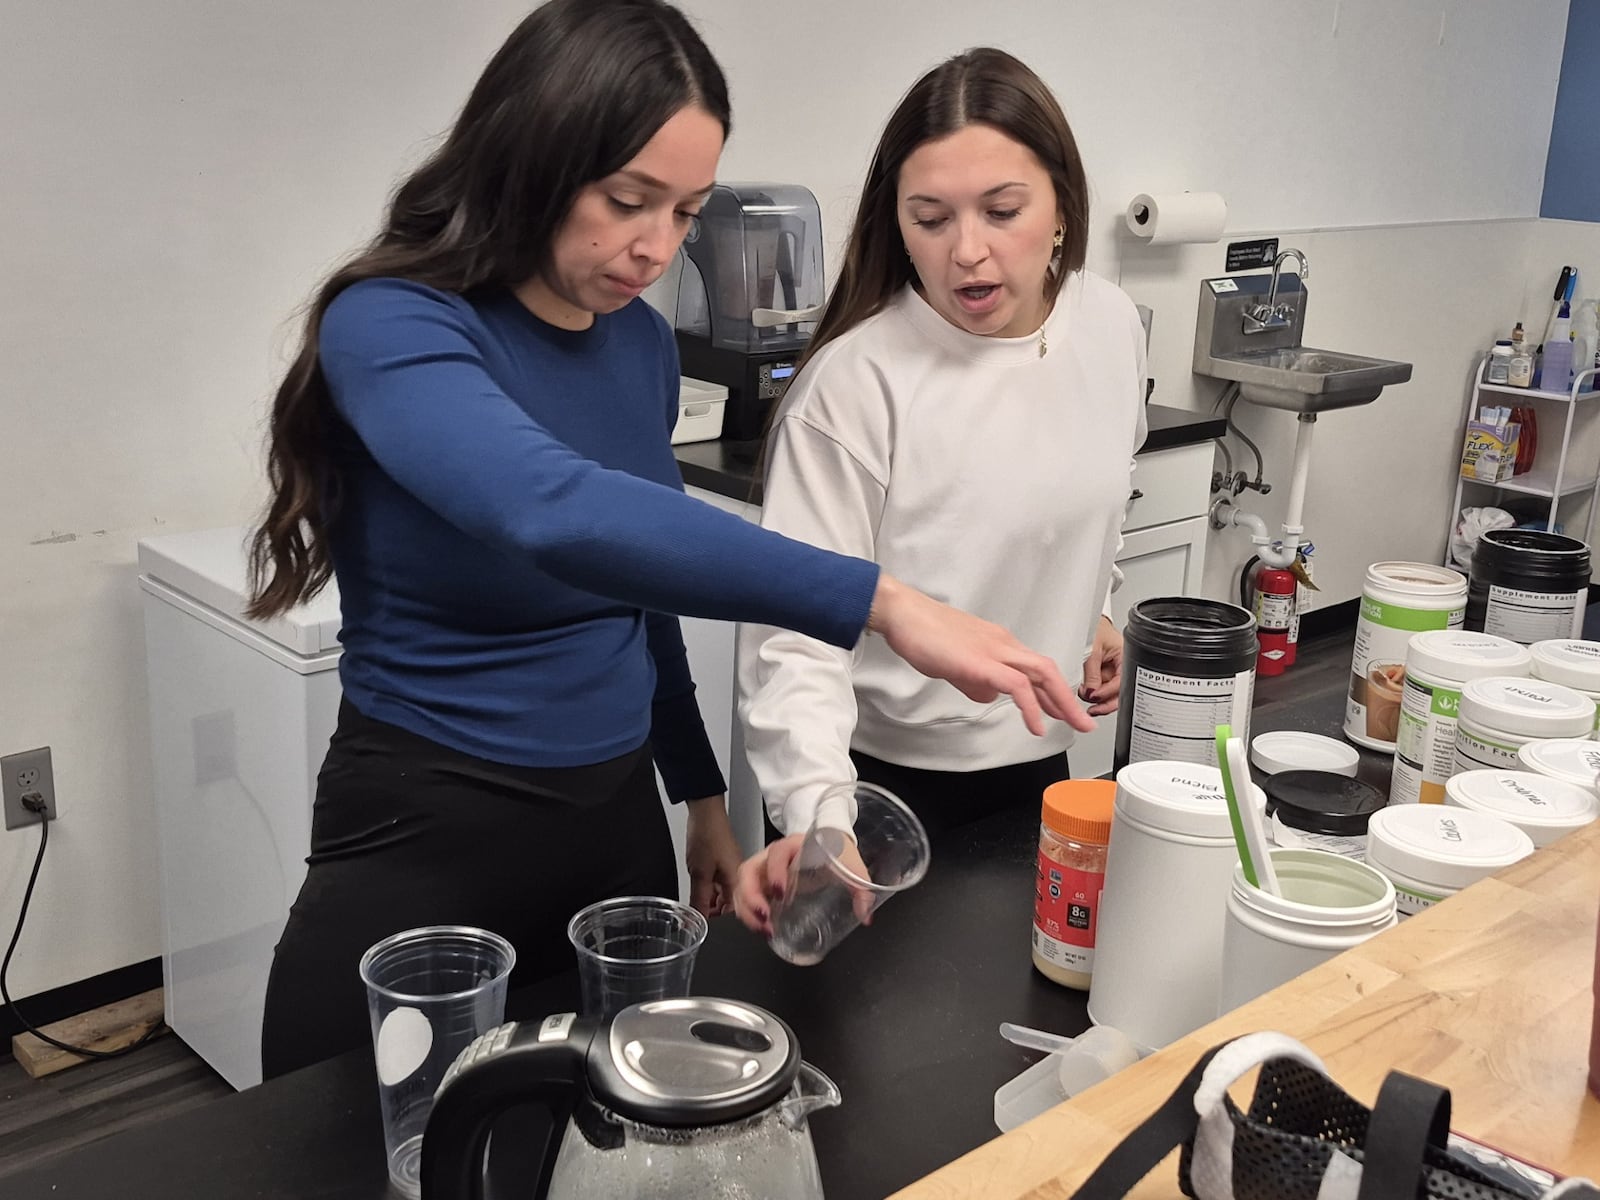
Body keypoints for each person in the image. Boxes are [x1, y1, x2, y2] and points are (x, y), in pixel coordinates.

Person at [246, 2, 1087, 1078]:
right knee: (344, 1130)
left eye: (686, 210)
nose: (656, 247)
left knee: (611, 1118)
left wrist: (700, 799)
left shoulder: (640, 343)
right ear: (532, 159)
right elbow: (549, 510)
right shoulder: (394, 322)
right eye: (626, 199)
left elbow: (633, 586)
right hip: (428, 818)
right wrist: (885, 602)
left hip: (613, 819)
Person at [732, 48, 1147, 935]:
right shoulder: (855, 385)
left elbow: (1103, 481)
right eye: (930, 218)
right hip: (874, 800)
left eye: (1003, 211)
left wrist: (1094, 605)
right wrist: (819, 815)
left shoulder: (1108, 323)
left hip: (1039, 772)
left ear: (1063, 207)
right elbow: (794, 636)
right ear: (897, 221)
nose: (967, 251)